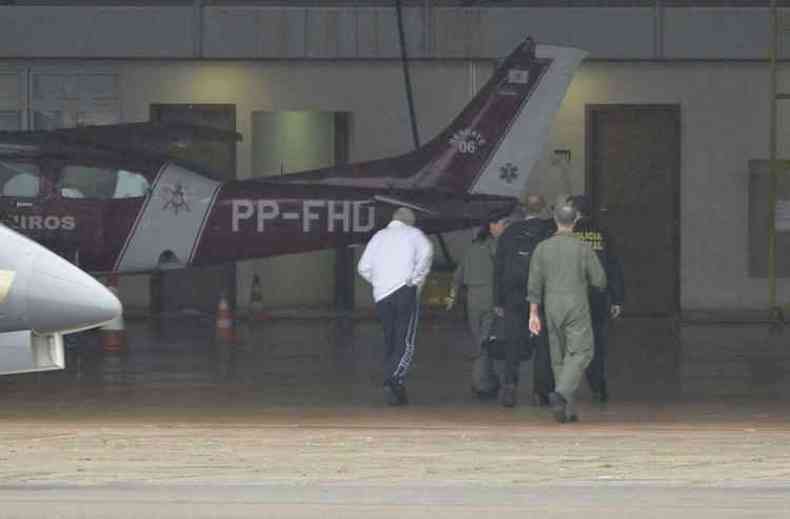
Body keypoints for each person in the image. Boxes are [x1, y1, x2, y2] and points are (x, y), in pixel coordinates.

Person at [527, 203, 606, 423]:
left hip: (551, 305)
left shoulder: (542, 248)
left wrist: (533, 313)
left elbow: (534, 284)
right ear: (576, 220)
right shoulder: (583, 248)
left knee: (558, 357)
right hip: (576, 304)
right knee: (582, 352)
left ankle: (567, 410)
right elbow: (599, 280)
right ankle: (561, 393)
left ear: (555, 220)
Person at [358, 207, 434, 406]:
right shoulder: (414, 234)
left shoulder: (378, 237)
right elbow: (427, 254)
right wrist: (415, 279)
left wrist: (379, 282)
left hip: (381, 295)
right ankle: (394, 377)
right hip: (404, 291)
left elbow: (363, 267)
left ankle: (394, 380)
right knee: (406, 339)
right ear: (410, 222)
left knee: (391, 338)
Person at [493, 197, 551, 407]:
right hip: (541, 293)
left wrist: (497, 300)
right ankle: (540, 391)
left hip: (513, 294)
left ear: (523, 209)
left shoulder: (509, 232)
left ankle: (509, 386)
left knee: (513, 342)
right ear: (543, 208)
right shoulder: (548, 231)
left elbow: (499, 267)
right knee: (542, 344)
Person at [568, 194, 625, 403]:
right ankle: (598, 387)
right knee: (596, 346)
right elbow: (613, 267)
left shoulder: (567, 233)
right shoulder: (603, 234)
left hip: (571, 297)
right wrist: (617, 298)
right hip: (597, 297)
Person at [446, 213, 508, 399]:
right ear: (492, 226)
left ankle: (487, 379)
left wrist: (451, 297)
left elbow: (457, 276)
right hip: (491, 298)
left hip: (472, 299)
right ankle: (481, 382)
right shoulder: (498, 246)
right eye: (502, 224)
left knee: (480, 339)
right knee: (485, 342)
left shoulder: (471, 247)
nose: (505, 227)